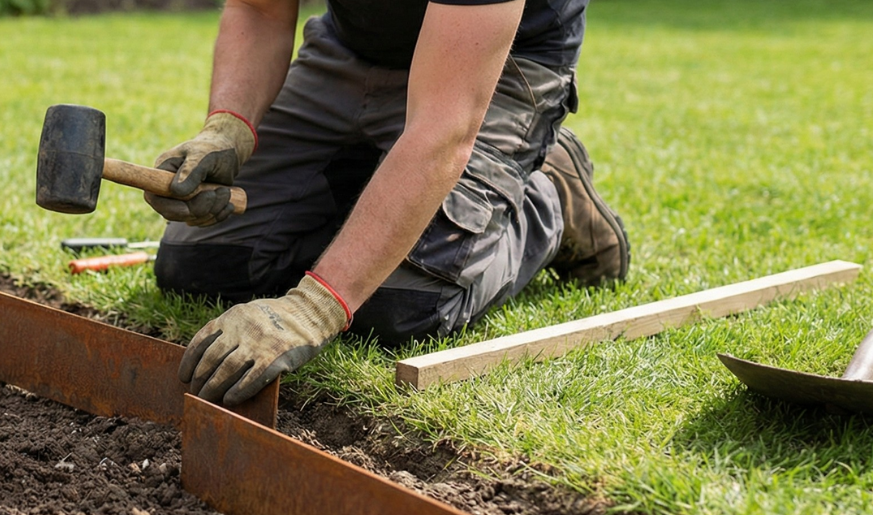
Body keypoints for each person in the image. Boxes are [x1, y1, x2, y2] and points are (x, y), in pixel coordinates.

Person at [149, 0, 628, 406]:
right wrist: (228, 127)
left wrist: (312, 308)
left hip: (498, 65)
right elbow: (258, 9)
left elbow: (444, 126)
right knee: (200, 264)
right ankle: (382, 185)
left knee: (398, 304)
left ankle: (550, 197)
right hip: (353, 49)